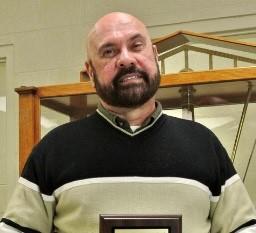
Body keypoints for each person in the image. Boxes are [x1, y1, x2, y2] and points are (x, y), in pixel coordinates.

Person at [0, 12, 256, 233]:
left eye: (136, 46)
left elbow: (243, 228)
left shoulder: (204, 143)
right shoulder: (53, 148)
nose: (125, 59)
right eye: (109, 51)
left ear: (154, 56)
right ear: (90, 72)